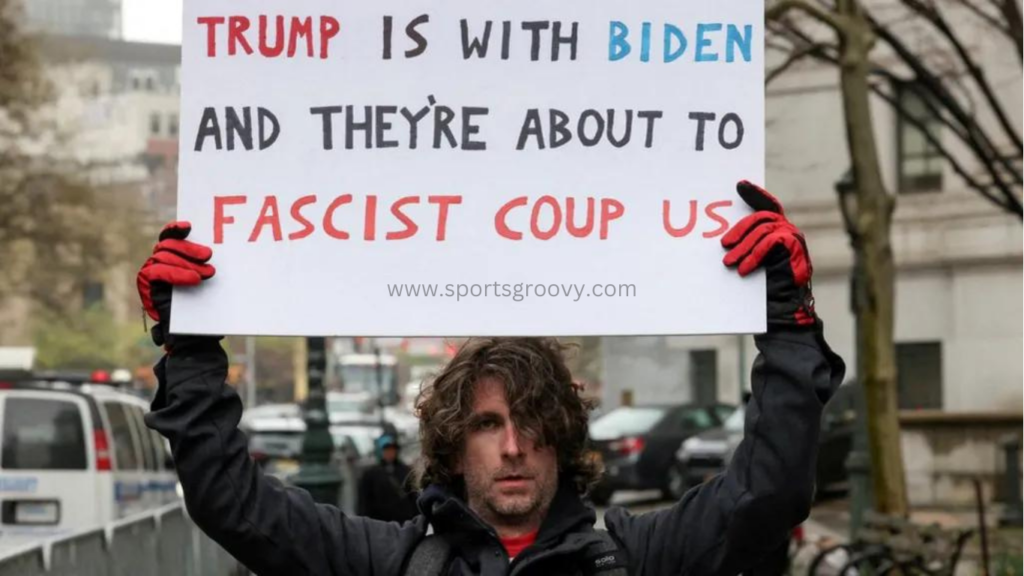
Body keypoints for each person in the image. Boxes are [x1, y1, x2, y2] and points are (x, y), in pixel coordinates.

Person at [138, 181, 845, 576]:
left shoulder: (634, 559)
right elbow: (232, 503)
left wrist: (787, 322)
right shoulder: (389, 563)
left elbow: (770, 490)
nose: (513, 447)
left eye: (534, 426)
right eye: (487, 424)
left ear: (562, 443)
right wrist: (192, 351)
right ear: (451, 446)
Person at [357, 433, 419, 523]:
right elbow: (364, 502)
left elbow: (413, 496)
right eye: (386, 450)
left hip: (404, 522)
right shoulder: (370, 474)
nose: (390, 453)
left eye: (392, 450)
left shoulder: (405, 470)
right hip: (380, 523)